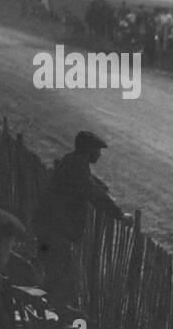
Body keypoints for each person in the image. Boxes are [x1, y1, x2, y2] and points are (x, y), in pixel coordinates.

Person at [33, 131, 129, 316]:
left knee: (56, 269)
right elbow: (91, 192)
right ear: (88, 150)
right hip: (55, 229)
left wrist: (100, 186)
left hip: (49, 226)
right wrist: (119, 214)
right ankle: (55, 314)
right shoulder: (77, 164)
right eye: (97, 150)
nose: (99, 154)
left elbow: (89, 182)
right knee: (63, 270)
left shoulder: (73, 161)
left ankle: (48, 311)